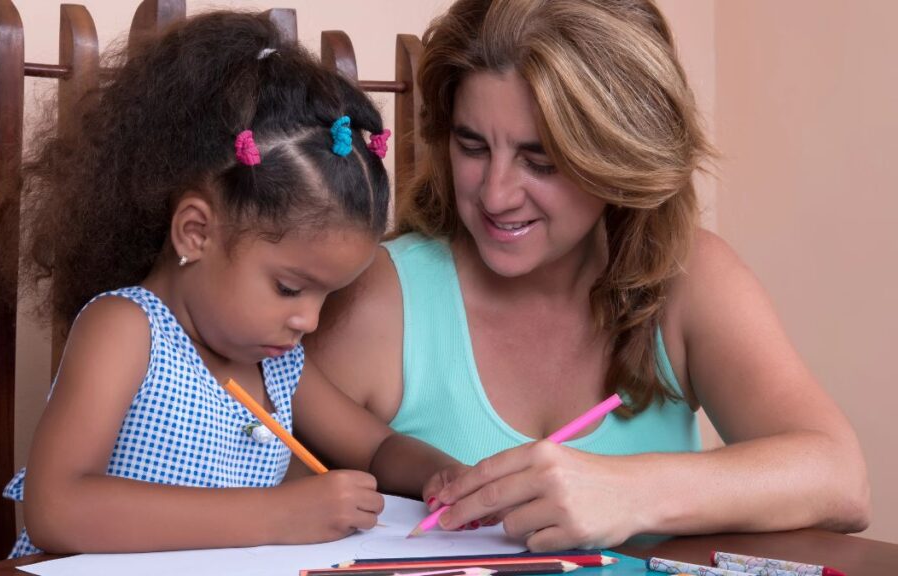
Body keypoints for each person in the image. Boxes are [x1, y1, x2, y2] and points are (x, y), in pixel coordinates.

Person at [307, 0, 870, 551]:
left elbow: (840, 478)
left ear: (619, 156)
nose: (497, 194)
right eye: (472, 145)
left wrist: (629, 492)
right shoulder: (381, 297)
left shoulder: (689, 278)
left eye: (542, 160)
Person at [1, 11, 457, 557]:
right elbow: (58, 509)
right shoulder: (127, 330)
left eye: (326, 297)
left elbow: (378, 447)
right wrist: (278, 513)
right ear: (196, 232)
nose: (309, 321)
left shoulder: (277, 364)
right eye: (290, 288)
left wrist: (443, 474)